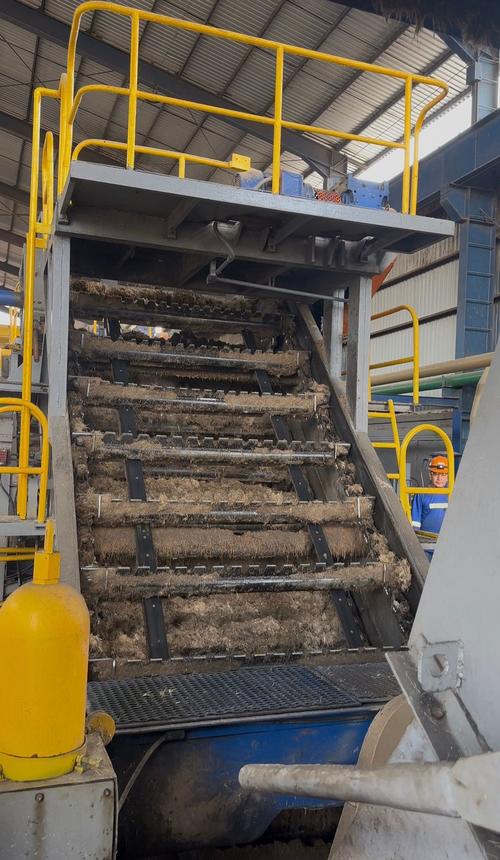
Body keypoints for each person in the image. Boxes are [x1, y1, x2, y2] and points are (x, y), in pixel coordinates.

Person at [411, 455, 449, 535]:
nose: (439, 478)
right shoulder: (421, 494)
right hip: (426, 540)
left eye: (443, 475)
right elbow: (415, 523)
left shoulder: (452, 495)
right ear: (430, 475)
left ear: (448, 477)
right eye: (436, 474)